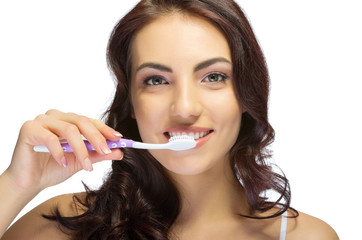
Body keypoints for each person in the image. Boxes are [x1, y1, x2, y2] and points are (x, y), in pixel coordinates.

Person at [0, 0, 339, 239]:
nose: (185, 108)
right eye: (156, 80)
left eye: (213, 77)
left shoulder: (307, 236)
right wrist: (16, 184)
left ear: (245, 94)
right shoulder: (66, 226)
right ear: (131, 101)